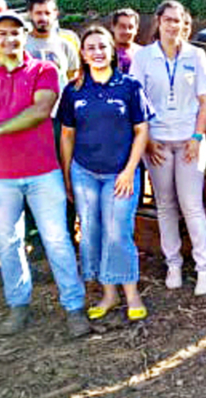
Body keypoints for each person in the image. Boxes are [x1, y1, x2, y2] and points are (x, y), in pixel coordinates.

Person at [0, 10, 90, 338]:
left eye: (15, 33)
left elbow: (40, 111)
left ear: (25, 35)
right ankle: (18, 305)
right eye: (2, 33)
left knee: (57, 240)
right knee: (9, 243)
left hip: (42, 173)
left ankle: (74, 306)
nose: (9, 39)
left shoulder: (44, 70)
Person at [59, 26, 154, 321]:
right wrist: (67, 176)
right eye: (91, 48)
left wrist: (129, 171)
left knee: (118, 233)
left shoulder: (129, 86)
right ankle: (108, 294)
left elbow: (142, 132)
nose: (97, 52)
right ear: (83, 54)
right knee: (91, 233)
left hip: (120, 173)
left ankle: (132, 293)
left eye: (103, 46)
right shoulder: (73, 90)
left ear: (112, 51)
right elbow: (66, 136)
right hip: (84, 172)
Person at [130, 0, 206, 296]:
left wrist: (197, 137)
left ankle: (204, 269)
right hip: (157, 144)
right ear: (158, 22)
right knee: (165, 204)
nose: (173, 26)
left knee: (192, 205)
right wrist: (148, 140)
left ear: (183, 23)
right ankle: (174, 264)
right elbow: (137, 101)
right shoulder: (143, 57)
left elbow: (205, 100)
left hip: (189, 142)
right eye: (167, 20)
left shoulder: (197, 54)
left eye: (177, 20)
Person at [25, 0, 80, 96]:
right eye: (38, 13)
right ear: (30, 14)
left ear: (55, 14)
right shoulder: (20, 46)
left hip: (60, 109)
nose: (43, 18)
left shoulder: (66, 45)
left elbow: (73, 80)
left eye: (47, 13)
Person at [111, 7, 141, 73]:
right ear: (113, 27)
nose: (126, 31)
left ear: (136, 29)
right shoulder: (104, 52)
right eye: (122, 27)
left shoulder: (143, 54)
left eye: (130, 27)